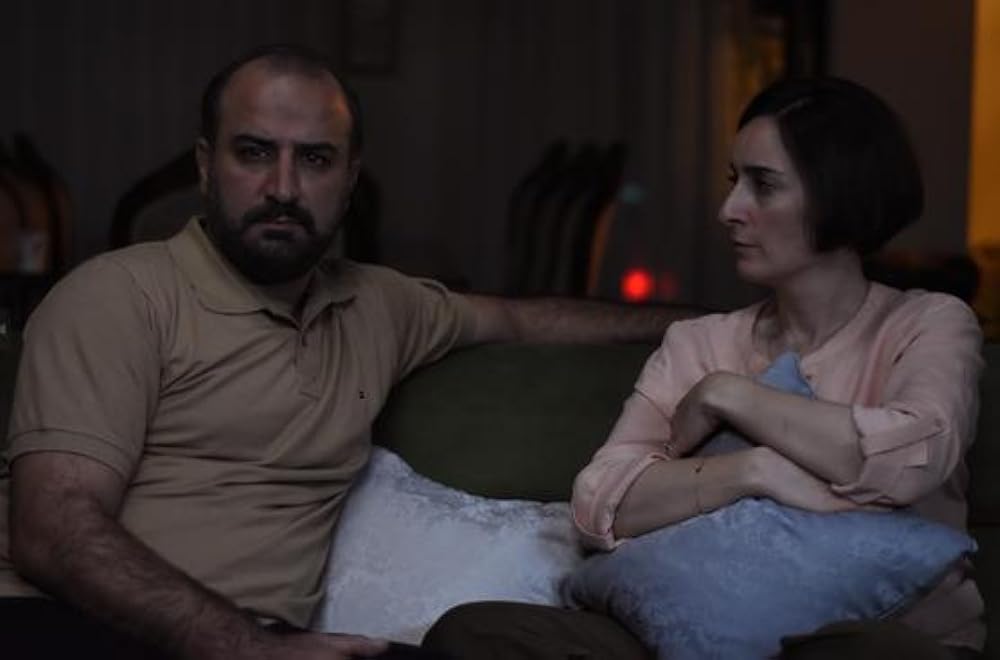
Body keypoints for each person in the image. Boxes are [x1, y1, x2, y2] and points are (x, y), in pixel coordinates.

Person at [0, 44, 694, 660]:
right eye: (253, 153)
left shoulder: (378, 306)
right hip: (61, 625)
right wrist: (242, 645)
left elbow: (520, 319)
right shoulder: (118, 296)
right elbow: (51, 530)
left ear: (350, 177)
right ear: (206, 167)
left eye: (314, 159)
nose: (282, 188)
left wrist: (726, 324)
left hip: (257, 638)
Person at [425, 78, 984, 659]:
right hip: (681, 621)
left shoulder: (929, 322)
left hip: (859, 635)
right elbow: (599, 504)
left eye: (763, 185)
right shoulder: (699, 341)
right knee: (475, 634)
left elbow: (912, 457)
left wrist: (730, 395)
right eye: (733, 181)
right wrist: (752, 471)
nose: (729, 210)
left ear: (839, 193)